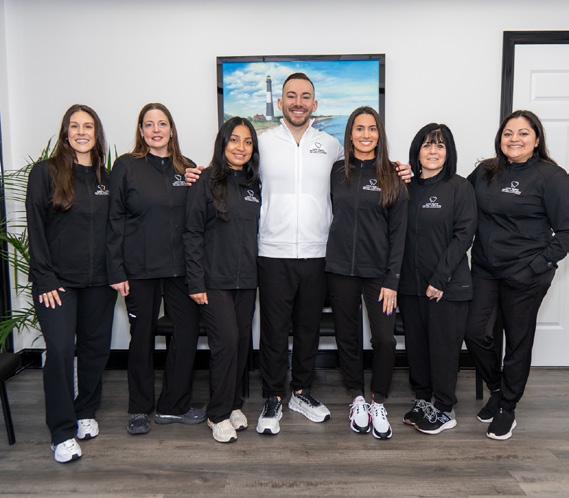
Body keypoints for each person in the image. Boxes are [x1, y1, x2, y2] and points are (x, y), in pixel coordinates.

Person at [185, 74, 413, 436]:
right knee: (274, 330)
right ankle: (273, 395)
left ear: (315, 104)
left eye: (305, 97)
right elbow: (231, 168)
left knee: (308, 329)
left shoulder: (332, 146)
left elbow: (368, 165)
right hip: (271, 252)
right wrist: (195, 172)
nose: (298, 102)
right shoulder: (261, 143)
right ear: (280, 103)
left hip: (319, 252)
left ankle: (301, 392)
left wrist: (402, 169)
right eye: (291, 96)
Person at [465, 110, 569, 440]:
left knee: (517, 341)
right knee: (474, 331)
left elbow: (566, 231)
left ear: (536, 140)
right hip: (485, 269)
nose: (514, 139)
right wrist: (414, 178)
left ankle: (508, 408)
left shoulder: (552, 177)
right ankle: (497, 390)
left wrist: (536, 267)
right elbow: (457, 196)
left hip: (526, 274)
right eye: (508, 133)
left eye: (523, 133)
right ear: (500, 138)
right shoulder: (486, 171)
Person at [107, 103, 205, 435]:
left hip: (181, 270)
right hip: (139, 269)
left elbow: (198, 218)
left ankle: (173, 405)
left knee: (186, 334)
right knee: (142, 338)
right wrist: (116, 270)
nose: (156, 130)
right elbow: (114, 220)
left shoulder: (187, 167)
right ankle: (139, 408)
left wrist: (202, 180)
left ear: (171, 129)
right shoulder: (126, 166)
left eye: (162, 123)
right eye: (149, 124)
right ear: (141, 131)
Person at [26, 104, 117, 463]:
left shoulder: (106, 177)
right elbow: (35, 226)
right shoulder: (45, 172)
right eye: (75, 126)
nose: (81, 132)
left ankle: (85, 411)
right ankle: (61, 432)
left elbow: (117, 229)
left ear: (97, 133)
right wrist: (44, 277)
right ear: (65, 132)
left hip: (100, 283)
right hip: (57, 284)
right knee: (61, 351)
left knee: (95, 349)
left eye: (88, 126)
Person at [326, 106, 408, 439]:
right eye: (359, 128)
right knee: (347, 335)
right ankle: (357, 398)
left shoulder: (393, 175)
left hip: (379, 273)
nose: (365, 134)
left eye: (371, 128)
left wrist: (392, 280)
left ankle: (378, 400)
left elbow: (399, 234)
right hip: (340, 269)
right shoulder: (336, 171)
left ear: (379, 134)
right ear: (350, 134)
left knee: (385, 338)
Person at [184, 117, 261, 443]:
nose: (241, 147)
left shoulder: (255, 184)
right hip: (214, 280)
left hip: (247, 280)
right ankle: (217, 415)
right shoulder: (205, 180)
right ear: (223, 143)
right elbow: (191, 233)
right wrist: (196, 282)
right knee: (226, 343)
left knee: (241, 344)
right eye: (234, 140)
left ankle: (233, 404)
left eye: (247, 141)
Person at [398, 123, 477, 435]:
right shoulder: (406, 187)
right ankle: (423, 400)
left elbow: (464, 236)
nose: (433, 151)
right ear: (417, 150)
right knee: (417, 347)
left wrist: (440, 279)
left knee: (443, 349)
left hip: (447, 286)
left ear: (449, 152)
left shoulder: (460, 187)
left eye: (440, 145)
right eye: (427, 144)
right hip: (410, 286)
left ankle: (444, 408)